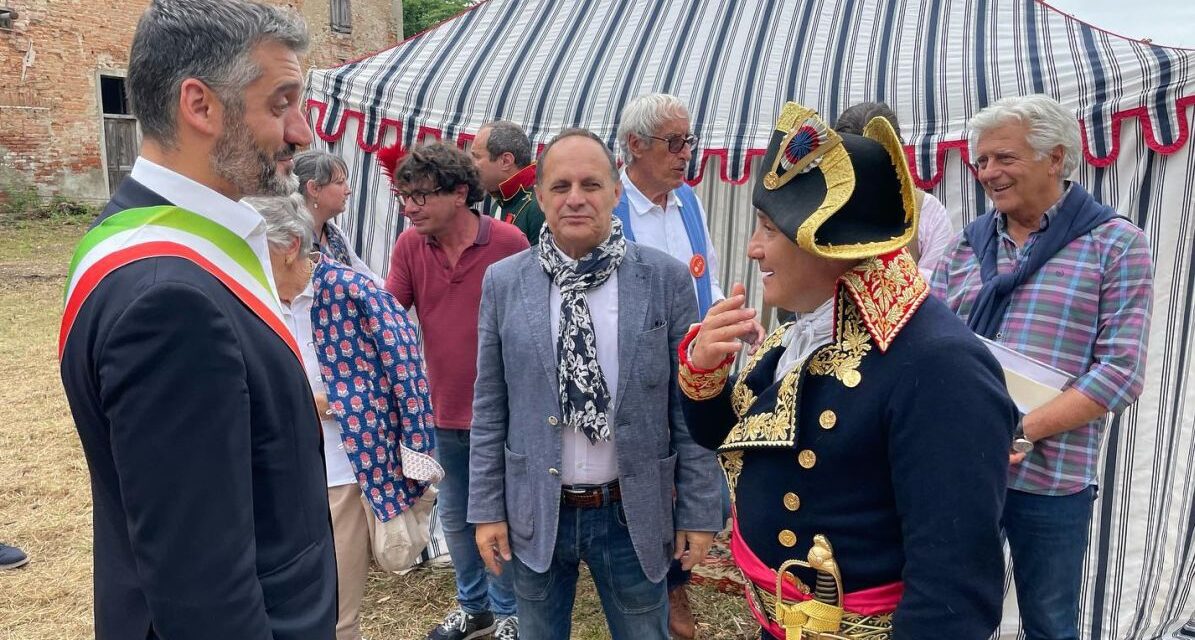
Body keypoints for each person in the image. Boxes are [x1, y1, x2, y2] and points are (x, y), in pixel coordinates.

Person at [679, 102, 1017, 639]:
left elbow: (952, 591)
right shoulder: (804, 329)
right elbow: (730, 441)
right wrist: (704, 372)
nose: (753, 248)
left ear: (832, 240)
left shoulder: (940, 366)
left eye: (769, 228)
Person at [57, 2, 337, 639]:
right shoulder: (168, 299)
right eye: (280, 102)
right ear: (201, 105)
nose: (301, 132)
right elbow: (202, 590)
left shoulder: (134, 239)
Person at [468, 128, 723, 640]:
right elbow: (490, 405)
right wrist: (486, 509)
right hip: (536, 509)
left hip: (632, 512)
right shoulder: (504, 283)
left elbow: (686, 407)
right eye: (560, 186)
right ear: (540, 196)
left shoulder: (665, 280)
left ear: (615, 192)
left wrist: (699, 509)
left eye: (591, 183)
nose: (576, 198)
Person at [933, 94, 1154, 640]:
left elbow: (1120, 372)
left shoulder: (1115, 245)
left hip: (1052, 480)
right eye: (981, 161)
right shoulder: (968, 243)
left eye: (1003, 158)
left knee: (1050, 626)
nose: (987, 173)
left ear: (1055, 157)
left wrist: (1019, 429)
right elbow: (930, 345)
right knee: (950, 616)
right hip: (964, 471)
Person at [251, 194, 442, 640]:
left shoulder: (354, 292)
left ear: (288, 247)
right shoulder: (247, 298)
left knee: (335, 613)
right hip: (270, 473)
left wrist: (322, 403)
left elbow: (408, 379)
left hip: (341, 473)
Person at [380, 141, 529, 640]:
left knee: (502, 516)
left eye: (420, 195)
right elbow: (386, 317)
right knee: (458, 514)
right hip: (442, 411)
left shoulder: (509, 243)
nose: (410, 207)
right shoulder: (409, 247)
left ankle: (509, 613)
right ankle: (474, 607)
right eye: (405, 195)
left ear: (461, 192)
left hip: (505, 414)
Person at [615, 92, 729, 637]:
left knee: (692, 473)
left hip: (693, 371)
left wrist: (723, 326)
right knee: (652, 481)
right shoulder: (609, 208)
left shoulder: (689, 202)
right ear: (635, 145)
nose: (686, 154)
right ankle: (666, 599)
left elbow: (703, 282)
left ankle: (676, 584)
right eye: (675, 142)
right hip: (637, 378)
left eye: (689, 141)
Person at [835, 101, 955, 279]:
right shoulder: (819, 209)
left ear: (900, 152)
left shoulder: (926, 210)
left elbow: (941, 285)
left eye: (877, 160)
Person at [292, 149, 383, 285]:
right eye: (340, 183)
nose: (348, 190)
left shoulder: (334, 234)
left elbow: (366, 278)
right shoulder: (292, 238)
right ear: (314, 188)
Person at [471, 120, 547, 245]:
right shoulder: (501, 201)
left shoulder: (539, 206)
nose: (471, 164)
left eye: (477, 157)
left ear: (506, 161)